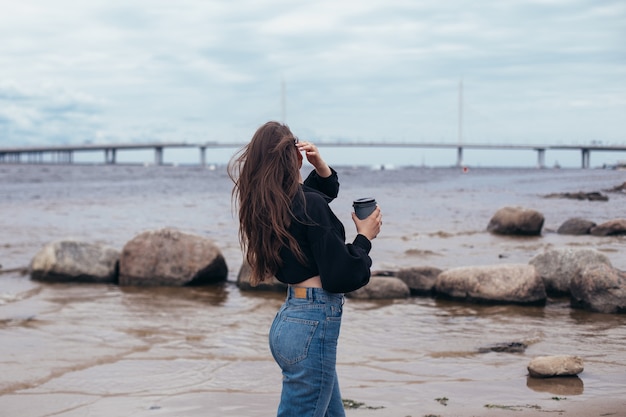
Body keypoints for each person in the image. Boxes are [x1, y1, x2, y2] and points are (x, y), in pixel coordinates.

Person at [228, 121, 382, 417]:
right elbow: (341, 275)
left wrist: (321, 168)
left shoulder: (268, 205)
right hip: (313, 321)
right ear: (294, 156)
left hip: (291, 321)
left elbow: (315, 197)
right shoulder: (305, 204)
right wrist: (364, 237)